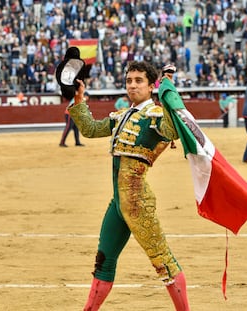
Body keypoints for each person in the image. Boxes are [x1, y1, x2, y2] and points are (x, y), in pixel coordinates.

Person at [67, 61, 190, 310]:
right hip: (119, 205)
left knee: (163, 262)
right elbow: (91, 129)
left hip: (138, 203)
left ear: (151, 86)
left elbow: (172, 130)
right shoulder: (124, 115)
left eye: (139, 81)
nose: (132, 85)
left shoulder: (155, 115)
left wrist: (168, 95)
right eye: (129, 80)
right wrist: (79, 98)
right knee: (104, 261)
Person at [162, 64, 178, 149]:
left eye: (172, 72)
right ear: (164, 73)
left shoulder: (169, 83)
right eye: (168, 72)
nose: (170, 74)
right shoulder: (165, 84)